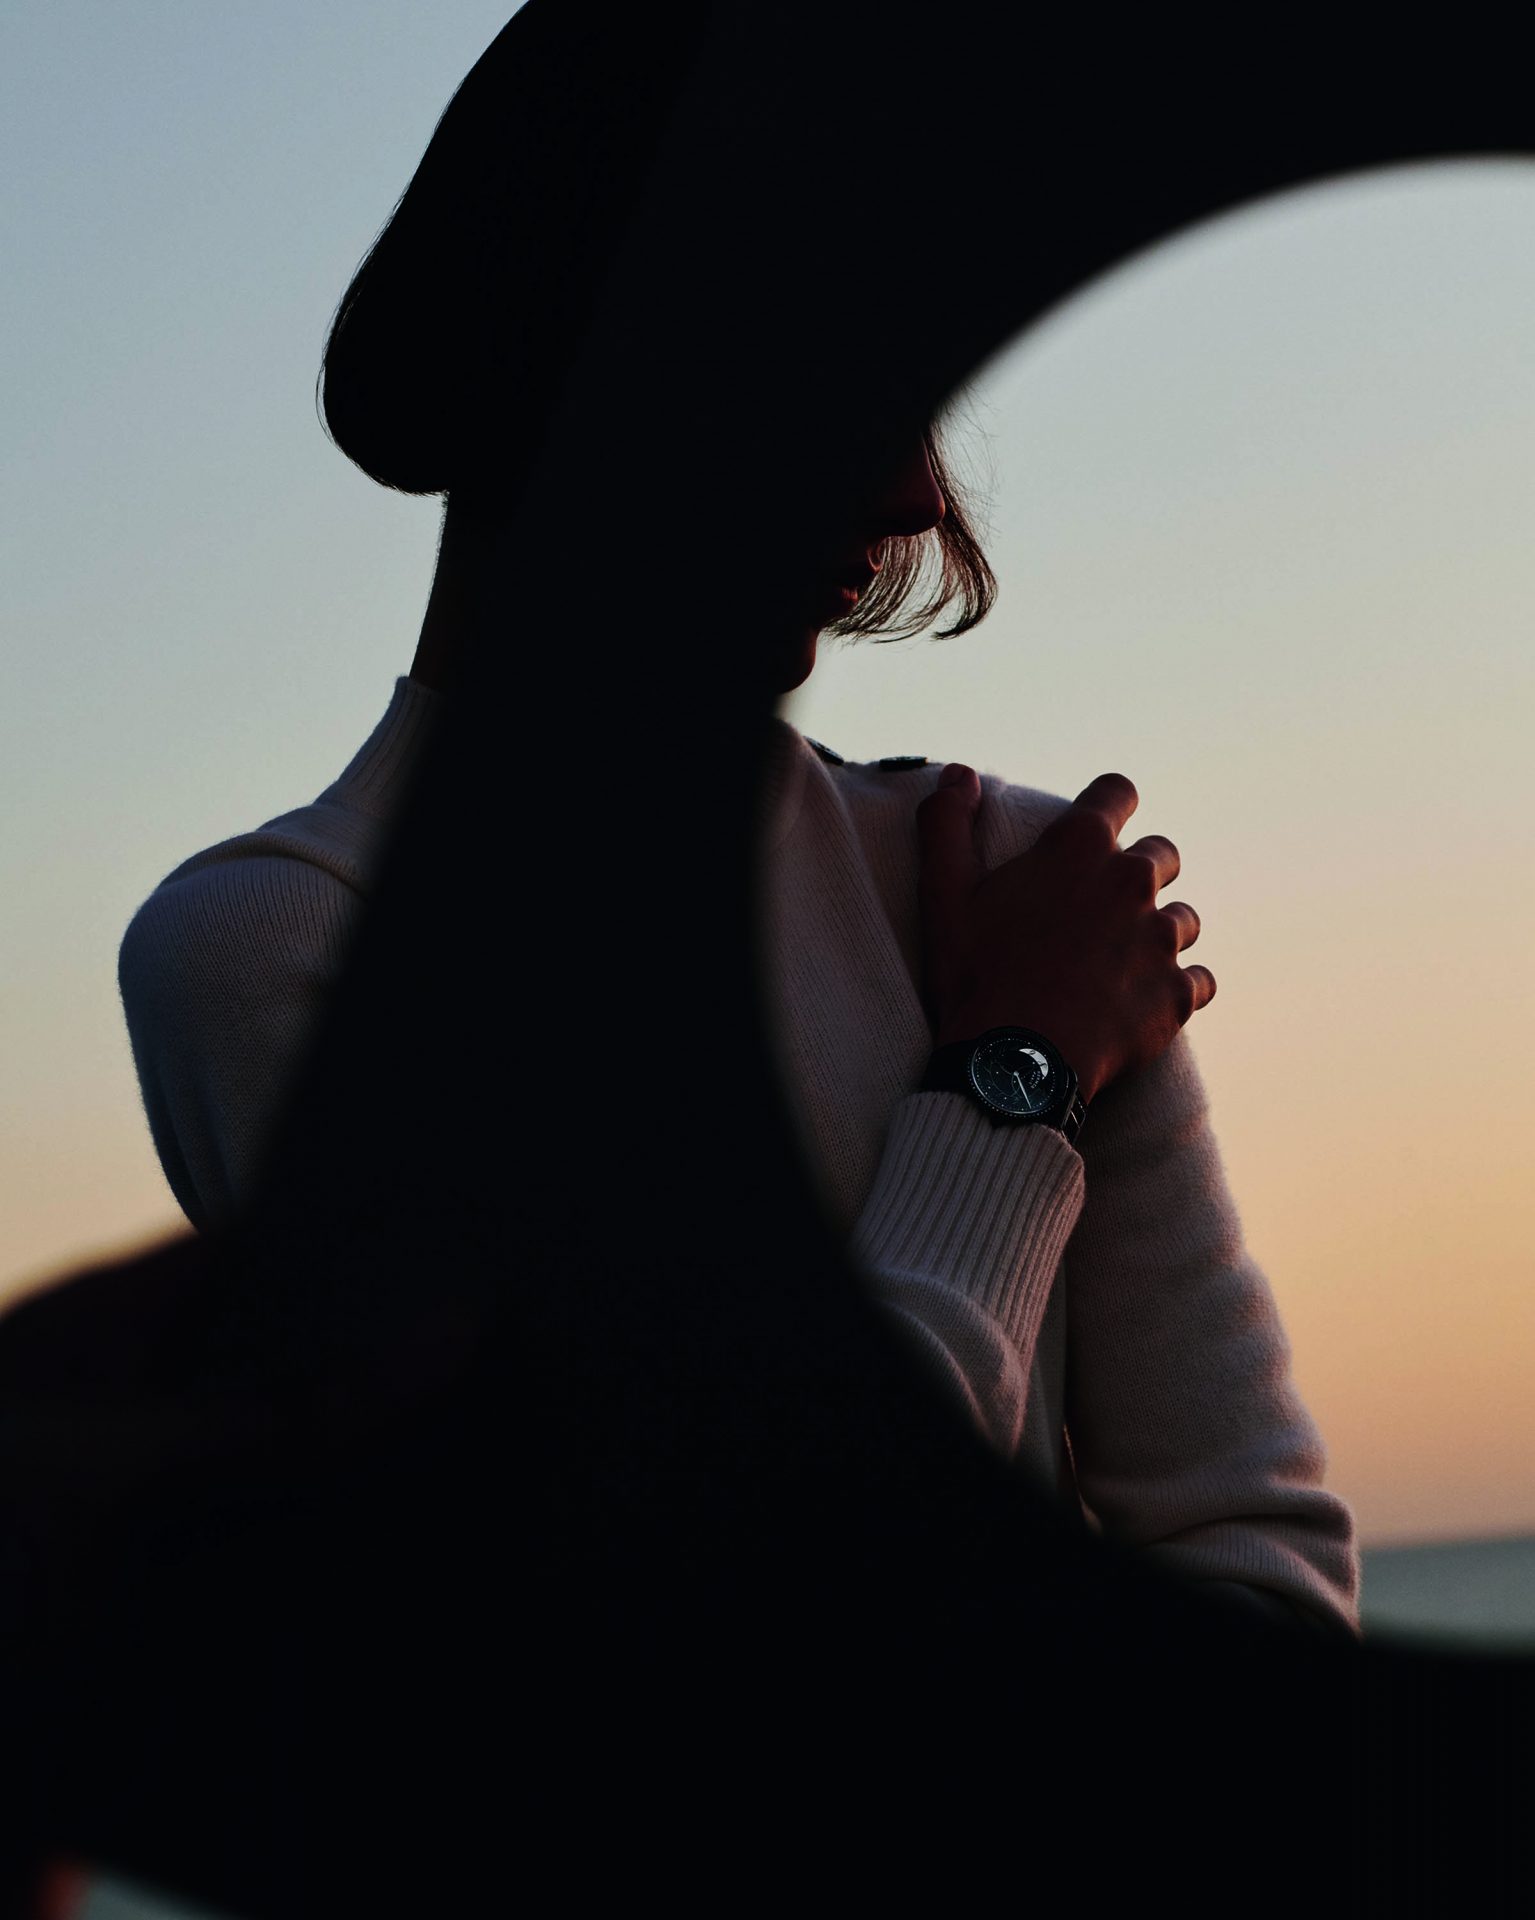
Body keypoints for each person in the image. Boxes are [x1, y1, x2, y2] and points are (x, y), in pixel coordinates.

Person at [116, 5, 1358, 1641]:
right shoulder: (287, 957)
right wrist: (1008, 1092)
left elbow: (1266, 1571)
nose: (915, 497)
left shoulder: (1021, 888)